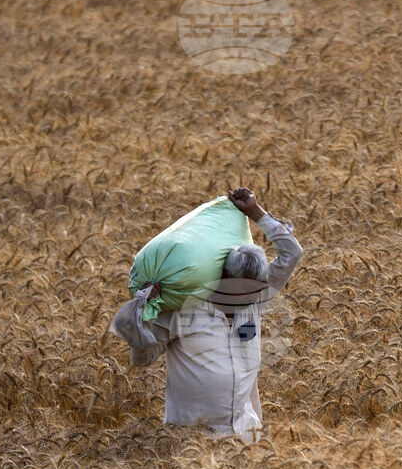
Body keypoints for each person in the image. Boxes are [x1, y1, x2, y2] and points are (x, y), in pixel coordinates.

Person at [111, 188, 303, 442]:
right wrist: (144, 313)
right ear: (223, 277)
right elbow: (142, 359)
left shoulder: (255, 302)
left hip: (248, 436)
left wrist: (255, 212)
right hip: (191, 442)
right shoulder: (183, 311)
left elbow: (292, 253)